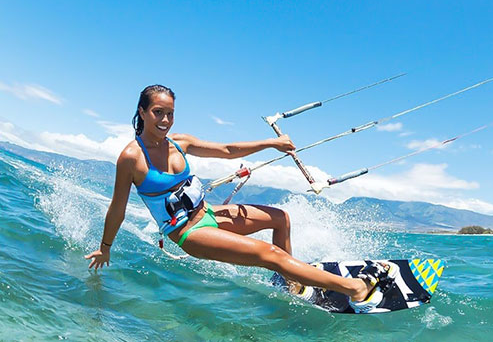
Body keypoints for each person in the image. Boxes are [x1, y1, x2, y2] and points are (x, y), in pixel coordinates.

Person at [85, 84, 394, 312]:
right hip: (189, 233)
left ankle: (290, 282)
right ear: (141, 111)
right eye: (158, 113)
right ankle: (355, 288)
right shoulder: (131, 157)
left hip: (209, 213)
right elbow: (117, 209)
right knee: (268, 254)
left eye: (170, 114)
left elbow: (227, 150)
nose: (165, 120)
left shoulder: (179, 142)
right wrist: (105, 248)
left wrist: (272, 143)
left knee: (280, 218)